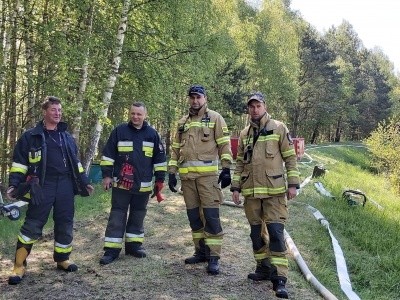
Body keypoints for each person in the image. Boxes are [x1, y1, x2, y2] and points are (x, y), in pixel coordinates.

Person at [6, 96, 94, 285]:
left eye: (60, 110)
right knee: (32, 224)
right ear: (45, 112)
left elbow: (76, 163)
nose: (58, 113)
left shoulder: (66, 137)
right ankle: (19, 265)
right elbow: (19, 165)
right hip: (41, 186)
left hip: (65, 185)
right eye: (54, 110)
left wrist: (84, 181)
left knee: (65, 222)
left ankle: (62, 259)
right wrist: (14, 184)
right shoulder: (31, 136)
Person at [230, 92, 300, 299]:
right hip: (251, 193)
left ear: (264, 106)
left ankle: (279, 280)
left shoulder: (279, 128)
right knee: (256, 234)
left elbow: (290, 158)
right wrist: (235, 188)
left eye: (258, 105)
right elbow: (240, 163)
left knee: (276, 234)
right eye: (251, 106)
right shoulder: (244, 134)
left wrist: (293, 184)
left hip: (275, 193)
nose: (254, 109)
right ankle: (263, 268)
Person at [168, 84, 233, 275]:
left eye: (199, 97)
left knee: (211, 218)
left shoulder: (215, 118)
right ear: (189, 99)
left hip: (208, 180)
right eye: (192, 97)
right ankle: (201, 252)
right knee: (194, 218)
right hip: (188, 181)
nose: (195, 101)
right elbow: (175, 149)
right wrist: (171, 172)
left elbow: (224, 146)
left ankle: (214, 257)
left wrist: (227, 169)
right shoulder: (182, 122)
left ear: (205, 98)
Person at [99, 102, 167, 265]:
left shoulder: (152, 134)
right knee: (117, 215)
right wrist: (107, 176)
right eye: (133, 114)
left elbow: (159, 159)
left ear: (145, 115)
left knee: (138, 214)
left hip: (143, 186)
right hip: (122, 184)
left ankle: (134, 246)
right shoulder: (119, 131)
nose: (135, 117)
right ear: (129, 114)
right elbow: (108, 155)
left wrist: (160, 180)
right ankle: (111, 250)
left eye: (139, 114)